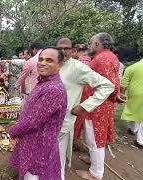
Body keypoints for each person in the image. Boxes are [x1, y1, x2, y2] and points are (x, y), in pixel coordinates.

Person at [56, 38, 115, 180]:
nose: (63, 51)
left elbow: (107, 86)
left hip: (63, 122)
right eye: (60, 48)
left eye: (66, 48)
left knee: (58, 160)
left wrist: (84, 106)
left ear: (72, 50)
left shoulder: (77, 67)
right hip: (46, 121)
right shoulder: (54, 65)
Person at [9, 47, 67, 180]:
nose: (42, 63)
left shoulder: (53, 89)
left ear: (60, 65)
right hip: (34, 142)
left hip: (39, 147)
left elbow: (32, 121)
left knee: (34, 175)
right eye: (40, 59)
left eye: (49, 60)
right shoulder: (45, 82)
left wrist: (13, 130)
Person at [76, 33, 122, 180]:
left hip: (97, 107)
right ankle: (93, 161)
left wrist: (115, 95)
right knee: (94, 137)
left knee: (95, 138)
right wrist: (116, 95)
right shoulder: (109, 57)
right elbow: (115, 81)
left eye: (91, 43)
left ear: (97, 44)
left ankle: (95, 173)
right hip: (99, 104)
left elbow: (110, 85)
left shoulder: (102, 58)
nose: (90, 45)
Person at [120, 58, 143, 148]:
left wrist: (122, 94)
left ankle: (133, 129)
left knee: (132, 111)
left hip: (135, 95)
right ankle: (141, 141)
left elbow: (123, 84)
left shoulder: (131, 67)